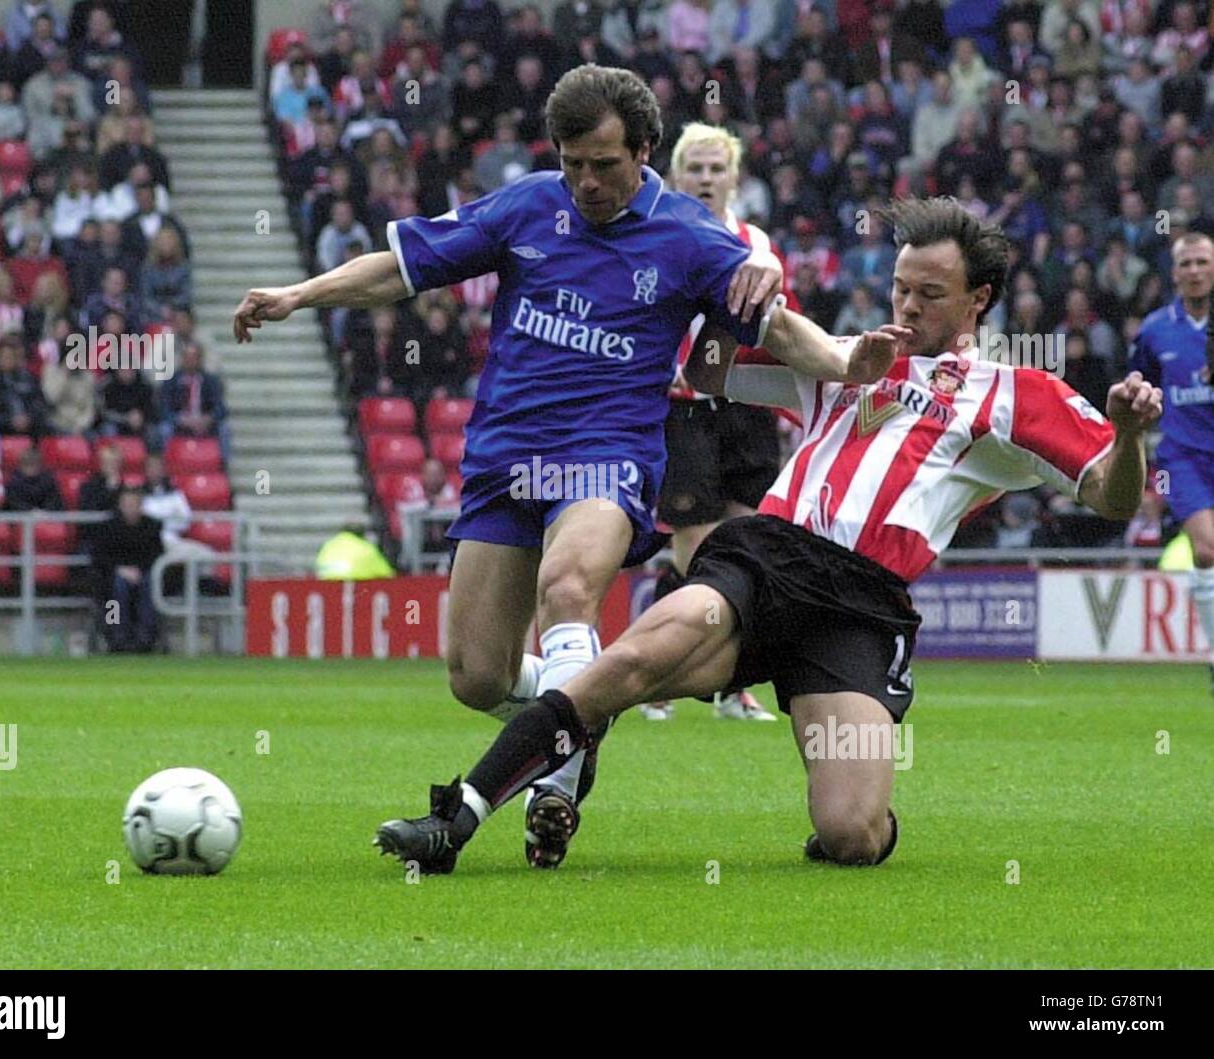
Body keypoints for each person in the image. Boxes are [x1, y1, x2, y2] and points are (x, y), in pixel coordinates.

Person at [374, 197, 1162, 874]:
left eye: (931, 293)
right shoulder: (846, 356)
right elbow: (710, 370)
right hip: (766, 558)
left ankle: (837, 801)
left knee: (850, 834)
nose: (909, 305)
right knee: (635, 657)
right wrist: (753, 291)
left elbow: (1112, 497)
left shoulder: (1016, 393)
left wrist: (1127, 438)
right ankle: (458, 815)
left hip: (861, 606)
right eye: (900, 287)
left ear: (978, 299)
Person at [234, 65, 861, 870]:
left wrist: (850, 363)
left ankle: (552, 784)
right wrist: (297, 294)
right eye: (572, 163)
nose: (586, 182)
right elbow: (401, 267)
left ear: (644, 150)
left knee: (567, 589)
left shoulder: (692, 239)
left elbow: (781, 332)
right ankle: (580, 713)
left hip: (608, 455)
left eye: (604, 164)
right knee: (474, 674)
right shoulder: (530, 204)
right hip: (505, 458)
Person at [641, 122, 785, 724]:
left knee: (746, 551)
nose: (705, 178)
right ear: (675, 175)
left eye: (715, 168)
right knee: (697, 554)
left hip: (745, 412)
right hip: (683, 413)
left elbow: (778, 328)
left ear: (734, 177)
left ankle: (732, 683)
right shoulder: (656, 235)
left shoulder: (757, 243)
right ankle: (655, 674)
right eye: (694, 168)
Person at [1128, 232, 1214, 690]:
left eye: (1203, 261)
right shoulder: (1156, 328)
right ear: (1175, 272)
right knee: (1206, 549)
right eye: (1187, 263)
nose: (1196, 270)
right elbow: (1138, 378)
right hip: (1183, 456)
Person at [91, 487, 163, 653]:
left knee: (150, 583)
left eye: (134, 504)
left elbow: (156, 555)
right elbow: (99, 557)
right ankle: (115, 634)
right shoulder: (108, 527)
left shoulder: (152, 527)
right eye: (126, 504)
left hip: (143, 574)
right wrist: (120, 570)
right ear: (120, 506)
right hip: (112, 577)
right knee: (116, 588)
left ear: (141, 506)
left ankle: (146, 635)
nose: (130, 508)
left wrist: (139, 571)